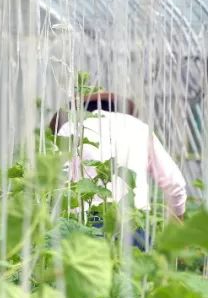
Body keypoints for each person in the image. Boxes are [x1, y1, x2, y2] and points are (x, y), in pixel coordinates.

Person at [50, 92, 187, 237]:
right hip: (134, 222)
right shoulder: (139, 128)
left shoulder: (70, 128)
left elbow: (56, 181)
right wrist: (177, 230)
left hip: (85, 223)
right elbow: (175, 184)